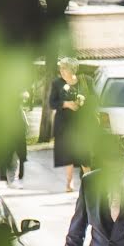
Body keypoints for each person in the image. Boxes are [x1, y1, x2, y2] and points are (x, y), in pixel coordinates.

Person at [49, 57, 91, 192]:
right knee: (68, 154)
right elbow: (52, 103)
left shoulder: (86, 81)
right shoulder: (57, 84)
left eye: (64, 68)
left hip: (81, 123)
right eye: (60, 68)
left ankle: (90, 181)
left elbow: (95, 99)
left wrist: (81, 103)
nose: (61, 71)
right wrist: (66, 104)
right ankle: (69, 182)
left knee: (84, 153)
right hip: (64, 124)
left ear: (72, 69)